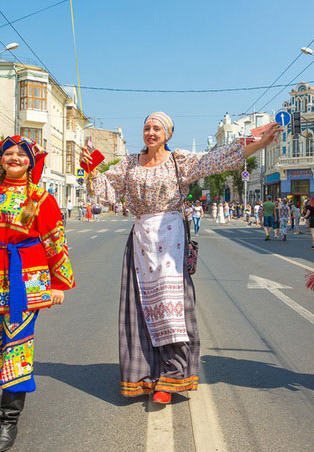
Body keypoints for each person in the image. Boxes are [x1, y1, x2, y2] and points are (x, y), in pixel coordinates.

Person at [84, 112, 280, 404]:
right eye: (147, 127)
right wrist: (90, 169)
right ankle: (145, 375)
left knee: (170, 306)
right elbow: (106, 193)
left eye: (157, 128)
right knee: (141, 306)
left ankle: (173, 376)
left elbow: (218, 159)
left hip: (172, 235)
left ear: (168, 134)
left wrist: (257, 145)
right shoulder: (127, 164)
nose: (151, 132)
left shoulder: (180, 161)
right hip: (141, 239)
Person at [0, 136, 75, 452]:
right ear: (0, 159)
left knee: (16, 349)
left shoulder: (41, 197)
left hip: (28, 281)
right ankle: (11, 382)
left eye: (21, 155)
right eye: (8, 153)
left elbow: (55, 242)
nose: (14, 158)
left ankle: (8, 420)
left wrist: (58, 284)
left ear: (30, 162)